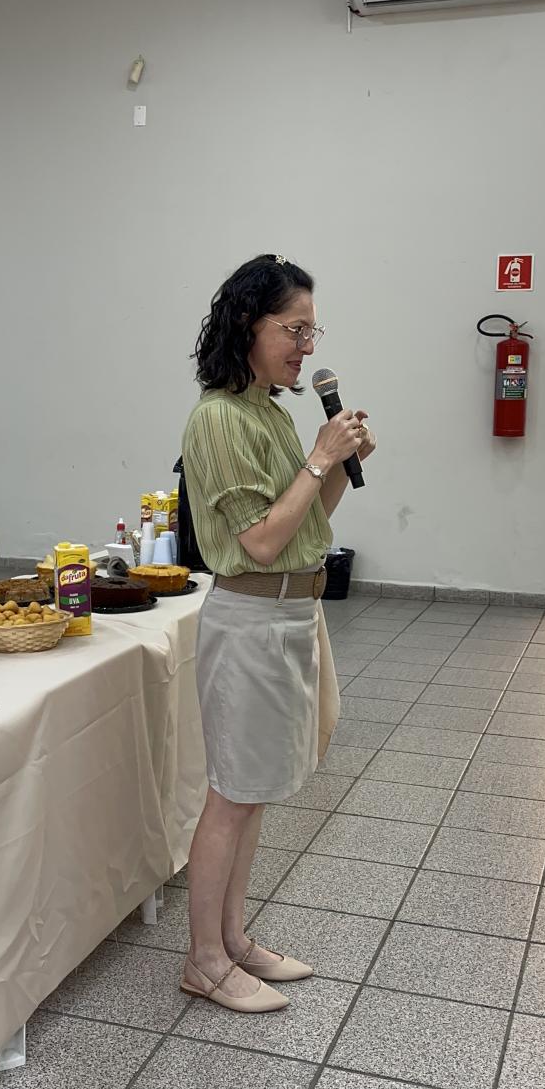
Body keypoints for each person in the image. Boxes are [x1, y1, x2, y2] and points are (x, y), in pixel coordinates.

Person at [180, 254, 376, 1013]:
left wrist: (337, 467)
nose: (306, 347)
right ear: (246, 325)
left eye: (311, 331)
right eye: (294, 329)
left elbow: (306, 523)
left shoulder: (269, 411)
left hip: (292, 613)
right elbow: (260, 543)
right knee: (232, 794)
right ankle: (203, 960)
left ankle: (233, 939)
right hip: (251, 620)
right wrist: (319, 458)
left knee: (254, 790)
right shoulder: (218, 417)